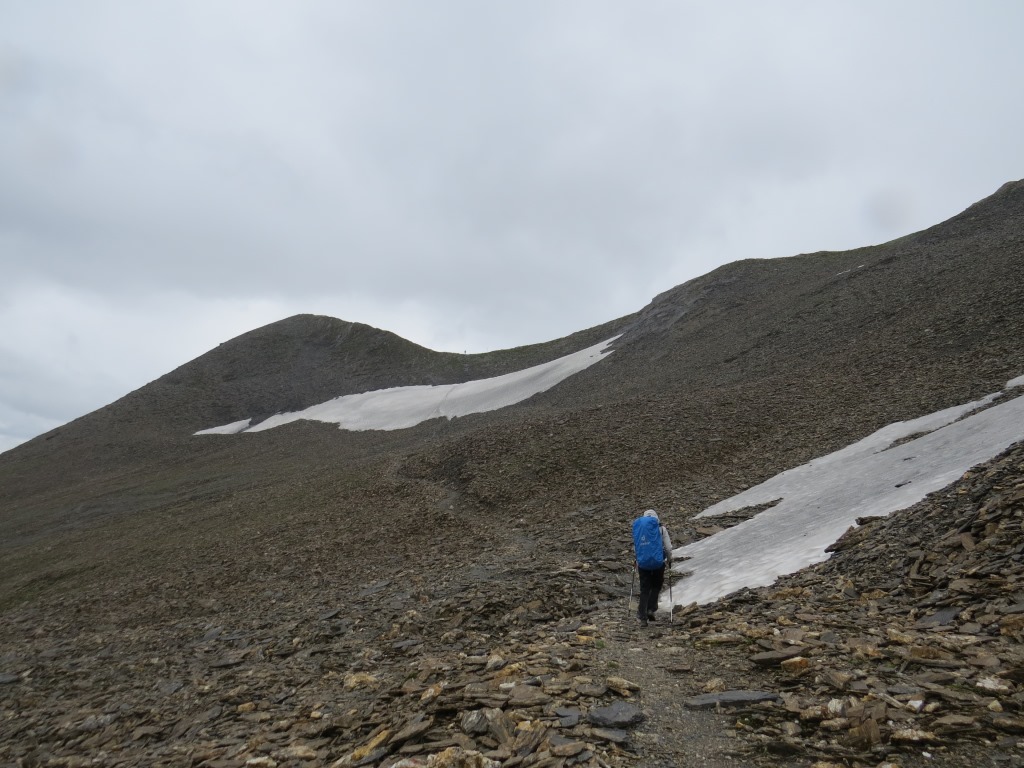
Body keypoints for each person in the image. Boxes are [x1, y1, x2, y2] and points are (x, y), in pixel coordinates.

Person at [631, 509, 673, 626]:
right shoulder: (661, 529)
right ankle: (651, 608)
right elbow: (668, 547)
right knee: (656, 586)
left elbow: (637, 546)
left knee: (644, 589)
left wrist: (637, 559)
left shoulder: (639, 529)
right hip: (658, 563)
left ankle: (642, 617)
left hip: (643, 563)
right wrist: (669, 559)